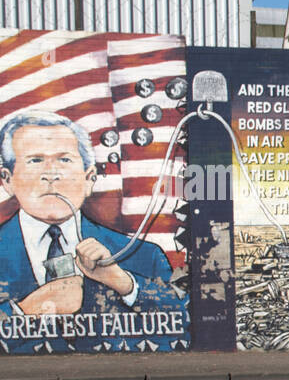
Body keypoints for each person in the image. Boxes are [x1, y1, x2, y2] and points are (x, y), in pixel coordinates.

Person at [0, 110, 183, 351]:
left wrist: (124, 284)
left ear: (89, 179)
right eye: (35, 160)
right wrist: (25, 310)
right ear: (7, 179)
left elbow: (188, 329)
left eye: (64, 160)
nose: (51, 174)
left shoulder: (142, 256)